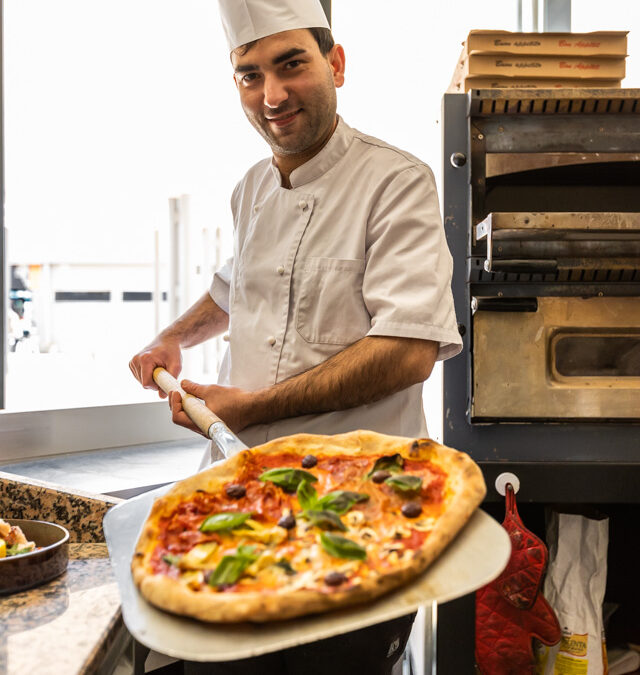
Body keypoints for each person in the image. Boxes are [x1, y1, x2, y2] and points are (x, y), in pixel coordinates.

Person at [129, 1, 462, 672]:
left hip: (356, 519)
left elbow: (409, 349)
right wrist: (172, 335)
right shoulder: (250, 187)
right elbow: (234, 286)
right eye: (249, 75)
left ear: (336, 63)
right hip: (244, 505)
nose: (271, 95)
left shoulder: (397, 183)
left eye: (291, 65)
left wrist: (249, 409)